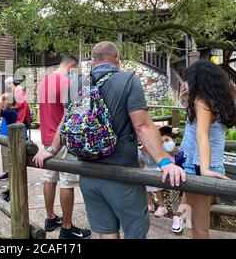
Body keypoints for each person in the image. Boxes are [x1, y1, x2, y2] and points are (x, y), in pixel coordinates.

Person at [33, 41, 186, 239]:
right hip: (122, 174)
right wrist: (164, 161)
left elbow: (66, 121)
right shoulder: (129, 80)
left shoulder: (77, 84)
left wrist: (51, 150)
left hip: (88, 173)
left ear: (93, 61)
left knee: (106, 232)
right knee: (135, 232)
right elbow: (142, 125)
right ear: (117, 60)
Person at [177, 59, 236, 239]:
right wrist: (186, 101)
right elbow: (200, 127)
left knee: (199, 228)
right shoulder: (220, 101)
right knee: (192, 222)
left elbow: (202, 134)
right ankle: (178, 221)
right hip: (198, 164)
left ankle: (178, 222)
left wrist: (204, 169)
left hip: (198, 166)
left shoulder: (202, 101)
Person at [37, 55, 92, 239]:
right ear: (72, 66)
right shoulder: (67, 83)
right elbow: (70, 114)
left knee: (50, 178)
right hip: (61, 140)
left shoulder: (44, 81)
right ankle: (67, 228)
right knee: (67, 182)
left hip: (46, 136)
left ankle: (50, 217)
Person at [0, 92, 18, 201]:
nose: (3, 103)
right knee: (9, 166)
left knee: (11, 167)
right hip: (8, 139)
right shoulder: (12, 111)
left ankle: (12, 191)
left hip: (9, 140)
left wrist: (0, 98)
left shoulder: (10, 112)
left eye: (5, 101)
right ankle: (10, 189)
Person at [138, 142, 168, 218]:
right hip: (146, 170)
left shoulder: (153, 151)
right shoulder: (139, 153)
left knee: (157, 189)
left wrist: (148, 151)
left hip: (156, 169)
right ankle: (150, 204)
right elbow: (141, 164)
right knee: (147, 189)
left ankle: (162, 206)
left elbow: (158, 161)